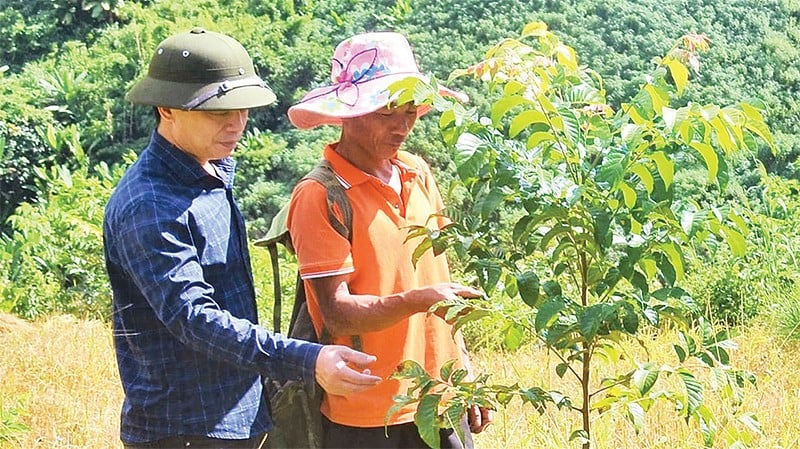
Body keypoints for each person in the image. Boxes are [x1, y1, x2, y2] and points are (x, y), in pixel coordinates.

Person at [103, 28, 382, 449]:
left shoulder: (207, 169)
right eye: (218, 112)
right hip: (184, 427)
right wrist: (307, 359)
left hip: (236, 413)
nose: (236, 125)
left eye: (243, 110)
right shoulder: (152, 204)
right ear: (167, 109)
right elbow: (194, 318)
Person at [286, 32, 493, 449]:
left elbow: (439, 279)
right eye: (386, 113)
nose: (402, 126)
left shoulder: (417, 173)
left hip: (441, 397)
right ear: (349, 114)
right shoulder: (321, 195)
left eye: (411, 110)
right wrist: (419, 300)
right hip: (366, 411)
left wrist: (464, 369)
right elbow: (336, 314)